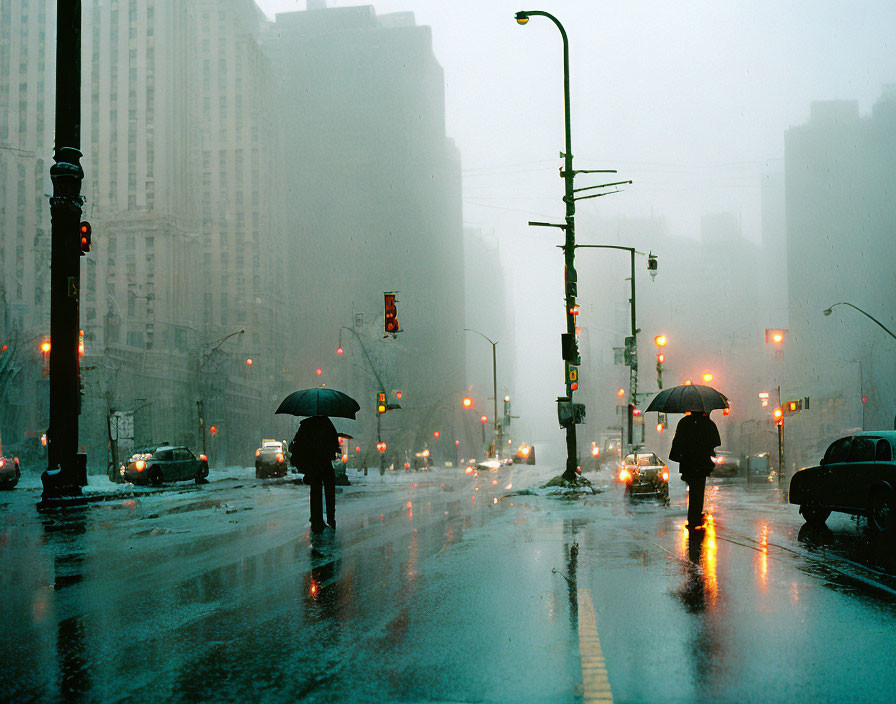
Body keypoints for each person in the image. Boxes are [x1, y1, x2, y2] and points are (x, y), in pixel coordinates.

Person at [669, 411, 721, 530]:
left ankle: (693, 516)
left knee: (693, 489)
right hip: (701, 464)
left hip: (688, 464)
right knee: (699, 489)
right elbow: (715, 442)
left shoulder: (684, 423)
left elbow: (677, 442)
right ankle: (696, 516)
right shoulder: (708, 423)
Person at [289, 415, 340, 533]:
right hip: (325, 463)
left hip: (313, 464)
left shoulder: (306, 425)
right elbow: (334, 443)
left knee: (315, 490)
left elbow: (297, 444)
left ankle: (316, 519)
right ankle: (331, 519)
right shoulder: (327, 424)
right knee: (329, 491)